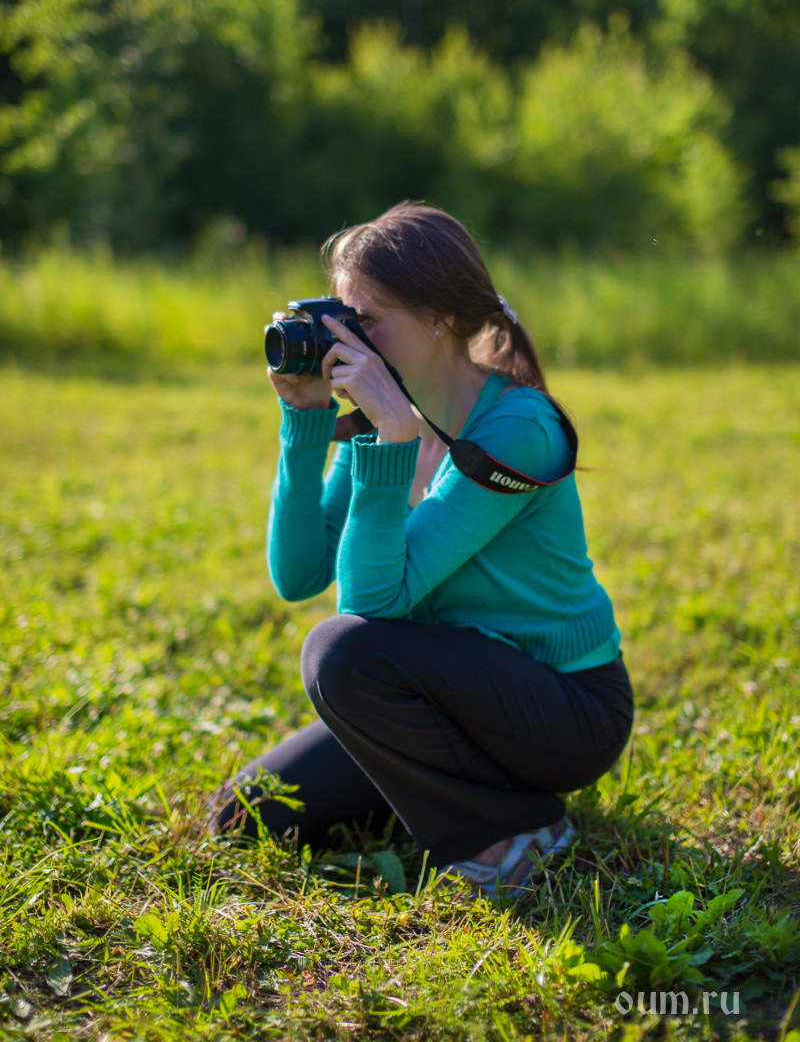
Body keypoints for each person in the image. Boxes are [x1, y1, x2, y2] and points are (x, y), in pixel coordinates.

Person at [213, 202, 634, 897]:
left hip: (564, 710)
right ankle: (460, 793)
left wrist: (393, 438)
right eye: (340, 317)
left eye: (365, 319)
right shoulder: (383, 416)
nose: (347, 339)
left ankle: (516, 830)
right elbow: (298, 573)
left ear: (440, 317)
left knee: (339, 651)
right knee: (245, 814)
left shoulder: (517, 426)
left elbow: (372, 606)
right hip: (453, 697)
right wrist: (306, 419)